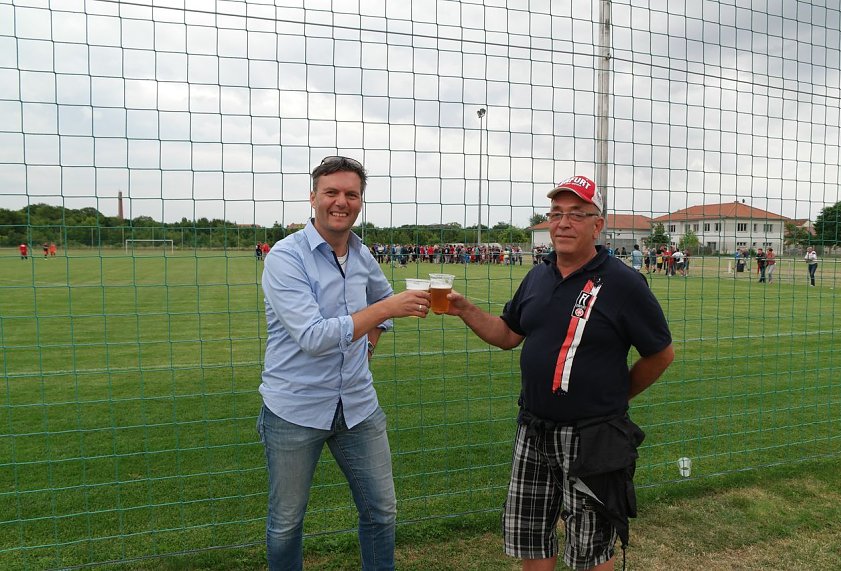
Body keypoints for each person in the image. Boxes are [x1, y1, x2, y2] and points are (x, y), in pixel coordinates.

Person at [445, 175, 674, 571]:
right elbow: (507, 335)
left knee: (590, 545)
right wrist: (464, 309)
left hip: (592, 438)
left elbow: (661, 354)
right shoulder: (539, 274)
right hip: (533, 428)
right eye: (556, 214)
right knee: (531, 536)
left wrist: (616, 396)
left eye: (577, 214)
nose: (564, 223)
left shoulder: (623, 283)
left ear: (597, 226)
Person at [257, 156, 431, 570]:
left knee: (381, 511)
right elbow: (314, 336)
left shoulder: (361, 253)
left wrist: (368, 347)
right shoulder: (285, 257)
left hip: (358, 405)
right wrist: (386, 309)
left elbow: (381, 300)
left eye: (351, 194)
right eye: (331, 192)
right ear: (313, 197)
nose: (341, 202)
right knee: (286, 523)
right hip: (295, 408)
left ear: (360, 201)